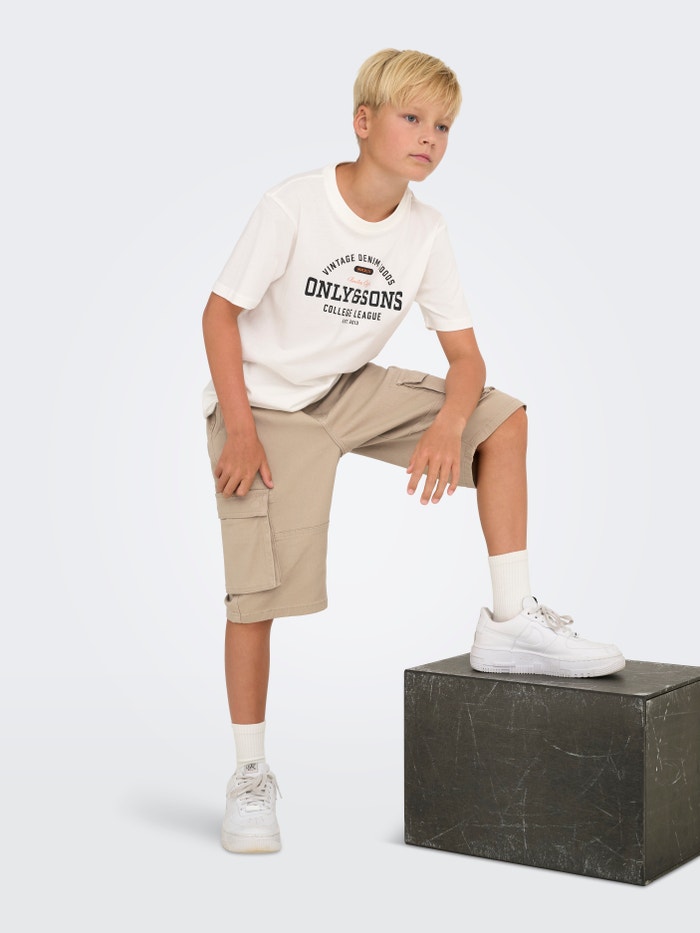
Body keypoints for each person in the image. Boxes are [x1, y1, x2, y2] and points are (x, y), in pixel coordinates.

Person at [201, 48, 625, 855]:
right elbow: (219, 315)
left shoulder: (427, 231)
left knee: (503, 422)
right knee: (256, 597)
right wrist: (241, 426)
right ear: (363, 123)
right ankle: (249, 776)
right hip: (265, 407)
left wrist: (445, 424)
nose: (430, 136)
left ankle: (511, 620)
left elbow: (466, 358)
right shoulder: (294, 206)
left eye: (444, 126)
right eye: (412, 118)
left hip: (349, 389)